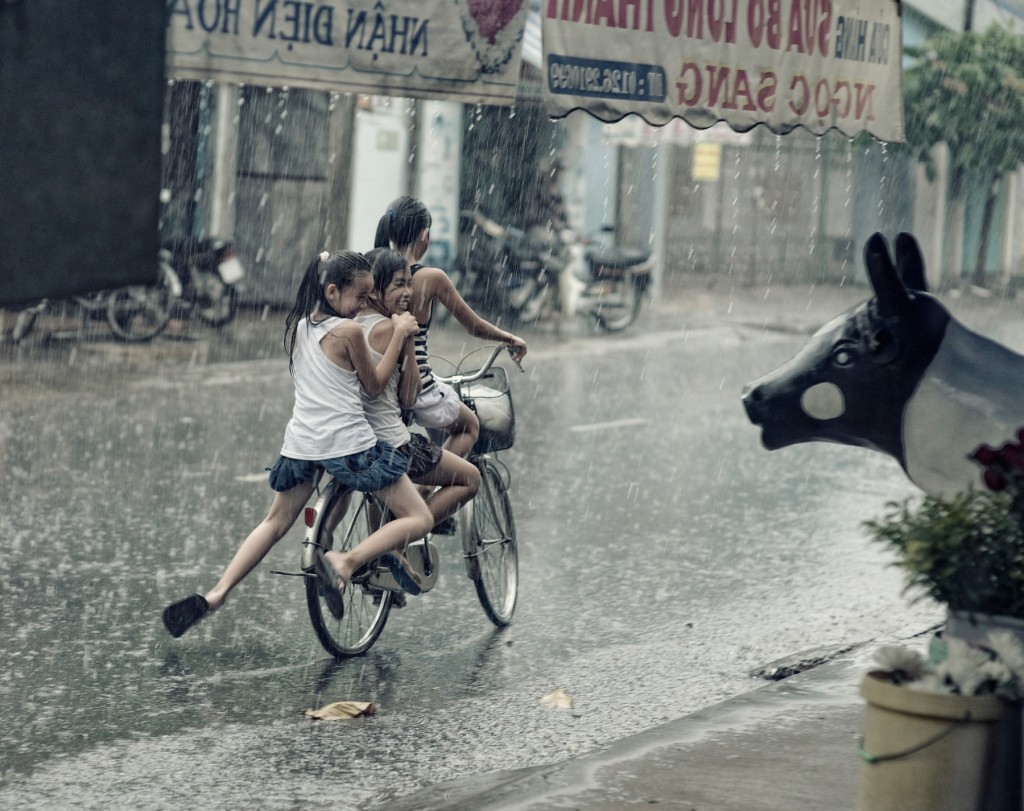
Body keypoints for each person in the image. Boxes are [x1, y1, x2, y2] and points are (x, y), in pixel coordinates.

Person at [161, 250, 435, 639]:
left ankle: (217, 593)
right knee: (420, 517)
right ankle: (345, 560)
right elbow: (374, 385)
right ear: (332, 291)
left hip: (303, 444)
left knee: (273, 523)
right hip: (349, 445)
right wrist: (402, 334)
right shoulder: (350, 332)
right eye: (359, 298)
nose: (361, 307)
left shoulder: (300, 329)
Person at [373, 196, 527, 460]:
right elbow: (474, 325)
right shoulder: (430, 278)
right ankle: (425, 497)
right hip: (416, 384)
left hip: (380, 381)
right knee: (470, 427)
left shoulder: (373, 269)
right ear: (425, 236)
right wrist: (509, 338)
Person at [358, 248, 481, 534]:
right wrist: (408, 338)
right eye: (399, 284)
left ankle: (381, 553)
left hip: (351, 438)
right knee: (470, 479)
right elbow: (409, 396)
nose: (407, 293)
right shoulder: (392, 329)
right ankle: (397, 541)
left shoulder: (349, 324)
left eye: (409, 284)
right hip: (389, 445)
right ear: (375, 290)